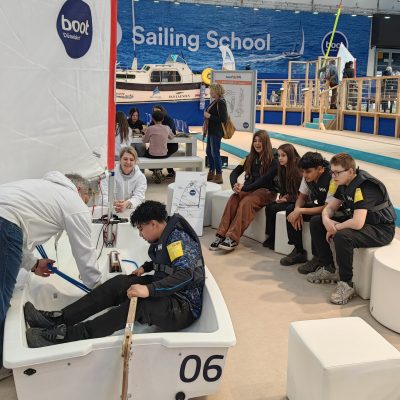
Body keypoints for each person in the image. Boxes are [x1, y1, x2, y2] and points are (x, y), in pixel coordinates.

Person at [24, 201, 205, 347]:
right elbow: (169, 260)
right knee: (119, 283)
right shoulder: (166, 236)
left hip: (183, 306)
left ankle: (65, 336)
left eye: (141, 228)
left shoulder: (179, 239)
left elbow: (185, 274)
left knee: (140, 304)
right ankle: (58, 319)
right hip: (168, 291)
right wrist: (146, 267)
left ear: (153, 223)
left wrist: (149, 290)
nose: (140, 234)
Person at [0, 172, 102, 370]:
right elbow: (84, 252)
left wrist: (33, 264)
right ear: (79, 190)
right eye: (85, 200)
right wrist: (97, 287)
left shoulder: (41, 188)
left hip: (6, 221)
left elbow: (16, 232)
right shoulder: (73, 201)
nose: (84, 205)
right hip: (5, 225)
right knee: (1, 295)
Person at [306, 153, 396, 304]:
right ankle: (329, 269)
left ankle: (346, 283)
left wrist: (335, 228)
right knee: (316, 222)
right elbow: (330, 208)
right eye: (332, 172)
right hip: (362, 222)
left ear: (350, 171)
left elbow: (357, 223)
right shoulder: (343, 182)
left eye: (337, 172)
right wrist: (326, 220)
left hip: (380, 229)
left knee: (342, 236)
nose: (333, 176)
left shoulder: (366, 186)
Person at [209, 130, 278, 252]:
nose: (257, 144)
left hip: (266, 191)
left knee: (247, 202)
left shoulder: (273, 159)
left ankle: (232, 238)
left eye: (260, 141)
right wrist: (234, 185)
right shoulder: (249, 157)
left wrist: (245, 188)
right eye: (255, 141)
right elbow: (234, 173)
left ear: (266, 142)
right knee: (234, 198)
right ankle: (221, 234)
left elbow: (264, 180)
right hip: (251, 189)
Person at [279, 152, 336, 272]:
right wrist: (297, 210)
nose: (304, 175)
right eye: (303, 171)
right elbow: (302, 197)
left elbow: (328, 208)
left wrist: (301, 210)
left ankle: (318, 258)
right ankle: (298, 251)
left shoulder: (332, 178)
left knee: (316, 220)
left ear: (320, 169)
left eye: (308, 171)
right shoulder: (307, 177)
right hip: (320, 206)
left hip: (334, 210)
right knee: (290, 209)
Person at [263, 144, 302, 250]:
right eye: (279, 155)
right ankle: (271, 236)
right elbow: (284, 188)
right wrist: (283, 196)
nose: (280, 158)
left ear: (290, 155)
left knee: (274, 209)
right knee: (269, 207)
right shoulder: (283, 167)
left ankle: (274, 238)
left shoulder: (297, 170)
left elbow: (301, 194)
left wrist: (286, 198)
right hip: (290, 197)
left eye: (283, 155)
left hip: (298, 200)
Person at [100, 146, 147, 213]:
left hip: (132, 211)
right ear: (120, 160)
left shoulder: (141, 177)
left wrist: (127, 203)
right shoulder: (109, 174)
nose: (128, 162)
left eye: (131, 160)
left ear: (135, 162)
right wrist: (114, 203)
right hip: (111, 210)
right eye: (125, 159)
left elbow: (139, 197)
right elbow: (102, 197)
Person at [203, 83, 228, 184]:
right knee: (209, 152)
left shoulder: (221, 103)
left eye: (212, 90)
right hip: (211, 130)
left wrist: (209, 116)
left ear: (217, 91)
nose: (210, 92)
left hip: (216, 131)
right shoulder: (215, 101)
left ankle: (219, 174)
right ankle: (211, 171)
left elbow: (223, 119)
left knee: (215, 153)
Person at [142, 110, 174, 184]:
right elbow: (172, 137)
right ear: (163, 119)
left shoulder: (150, 128)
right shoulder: (167, 128)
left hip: (152, 154)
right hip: (164, 154)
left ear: (153, 119)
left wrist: (145, 133)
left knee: (144, 153)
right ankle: (158, 170)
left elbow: (144, 140)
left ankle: (155, 170)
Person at [150, 105, 177, 178]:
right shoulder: (154, 120)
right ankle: (158, 170)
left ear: (162, 111)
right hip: (159, 145)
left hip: (170, 145)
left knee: (157, 152)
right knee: (155, 152)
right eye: (154, 111)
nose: (156, 113)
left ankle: (161, 170)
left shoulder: (169, 120)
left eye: (157, 111)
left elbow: (168, 135)